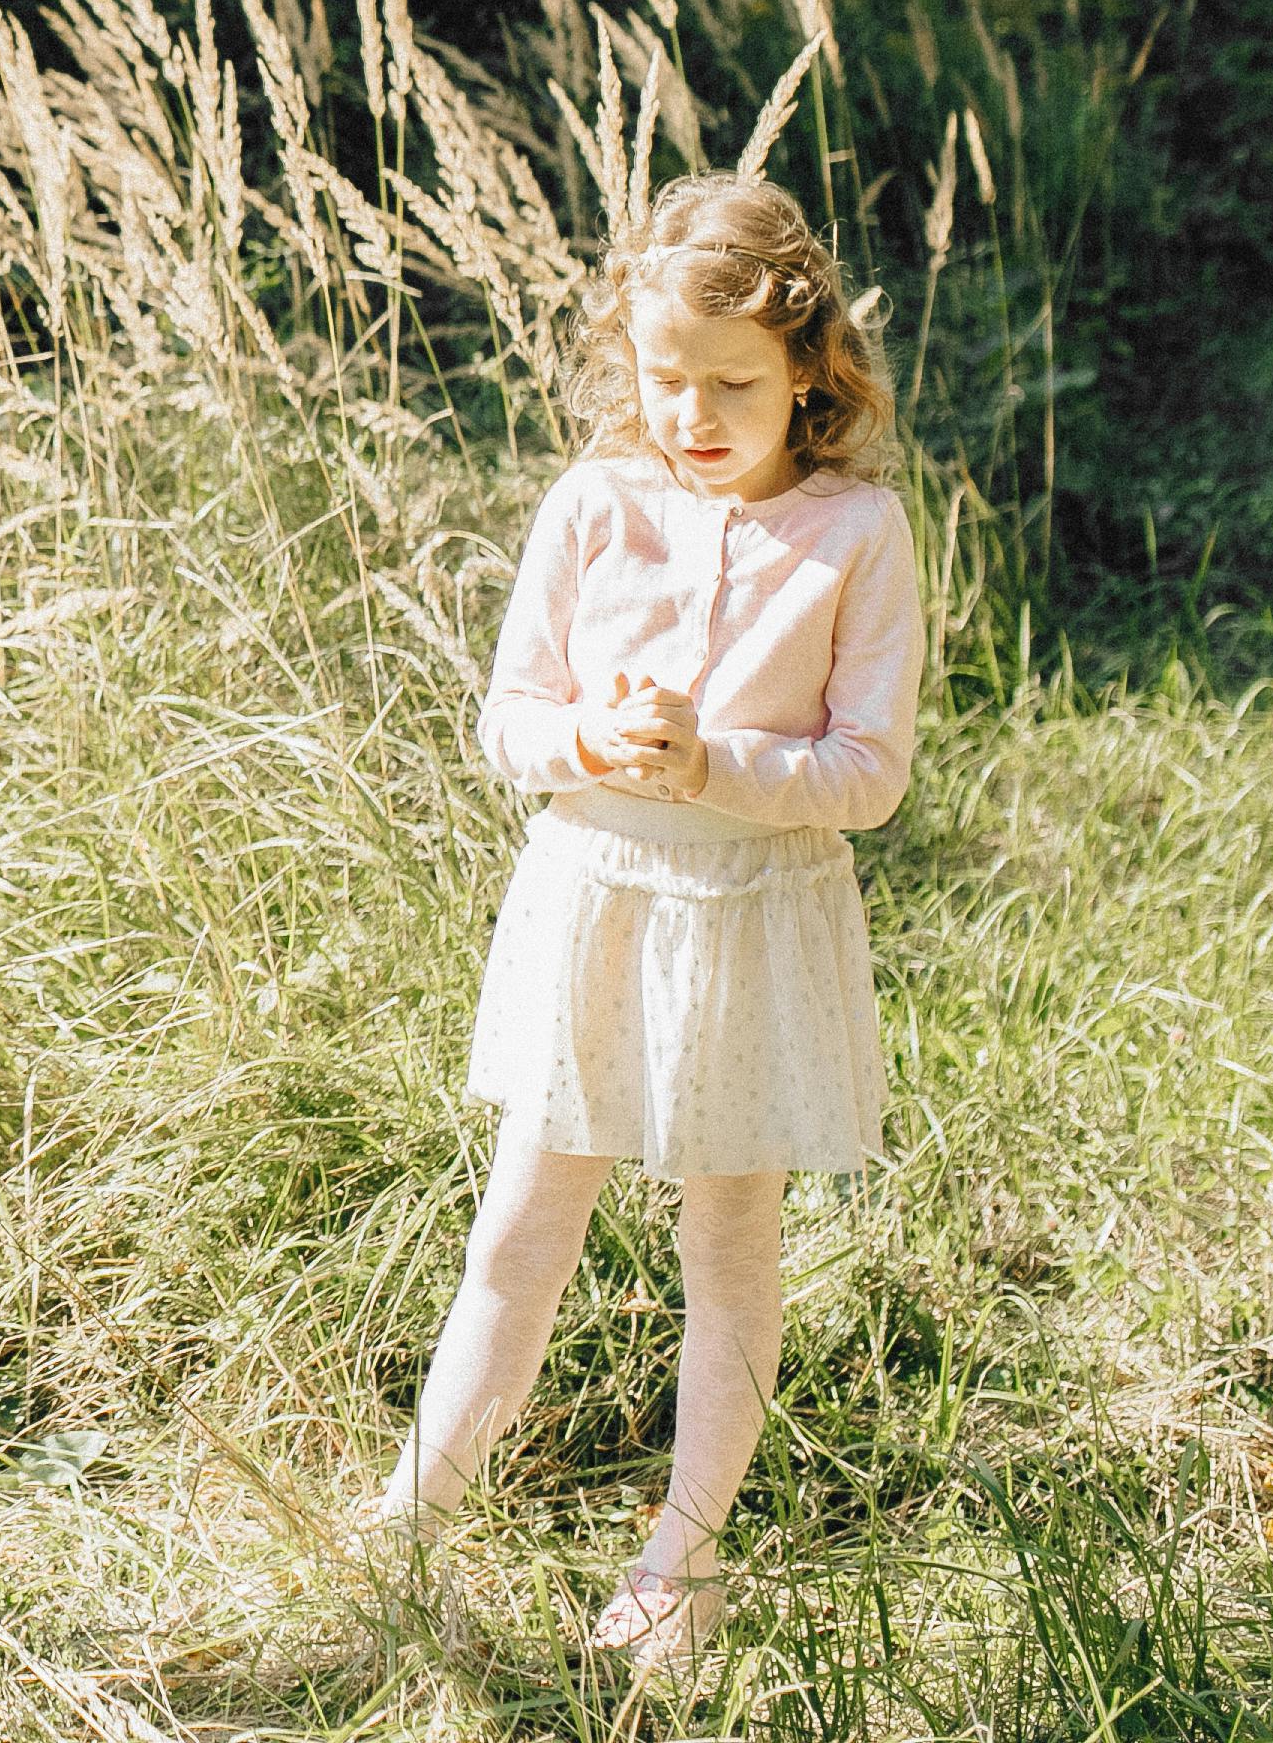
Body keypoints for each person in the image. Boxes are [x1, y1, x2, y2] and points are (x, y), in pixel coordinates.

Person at [370, 172, 926, 1670]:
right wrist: (593, 747)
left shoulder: (858, 532)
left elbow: (871, 774)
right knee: (523, 1224)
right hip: (596, 896)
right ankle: (414, 1515)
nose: (694, 412)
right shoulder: (596, 504)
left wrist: (719, 764)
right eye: (663, 377)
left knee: (729, 1247)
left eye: (733, 383)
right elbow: (508, 719)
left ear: (807, 369)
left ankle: (682, 1565)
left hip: (753, 917)